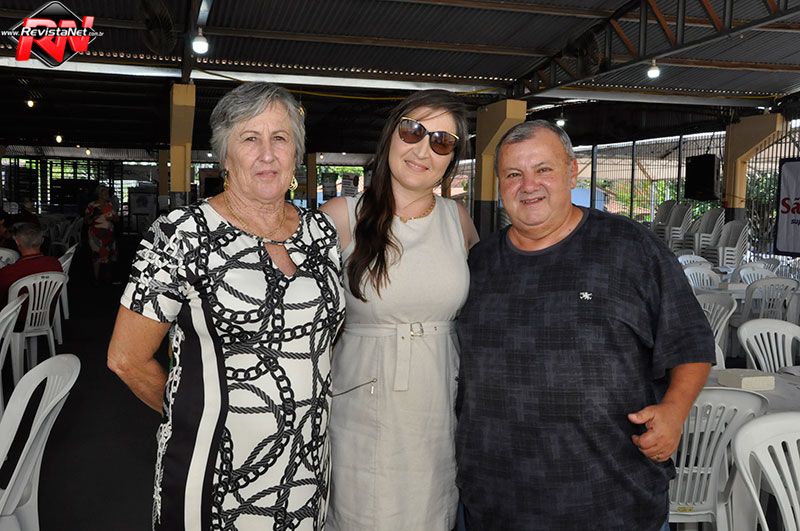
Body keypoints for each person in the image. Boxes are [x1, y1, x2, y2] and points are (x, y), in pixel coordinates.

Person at [107, 82, 345, 531]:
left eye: (280, 138)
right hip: (213, 469)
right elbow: (125, 358)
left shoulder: (321, 234)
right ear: (225, 155)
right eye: (250, 138)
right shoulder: (180, 234)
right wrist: (195, 416)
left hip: (307, 465)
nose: (267, 154)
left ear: (296, 152)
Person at [455, 120, 714, 530]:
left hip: (612, 501)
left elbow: (691, 340)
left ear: (572, 172)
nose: (529, 185)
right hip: (496, 502)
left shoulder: (631, 248)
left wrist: (674, 410)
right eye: (514, 174)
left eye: (543, 169)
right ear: (500, 184)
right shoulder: (478, 264)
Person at [321, 89, 479, 530]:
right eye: (413, 131)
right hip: (362, 401)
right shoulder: (341, 216)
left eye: (442, 142)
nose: (423, 150)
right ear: (391, 134)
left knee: (433, 511)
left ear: (451, 160)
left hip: (439, 400)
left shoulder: (458, 220)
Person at [0, 223, 62, 306]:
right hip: (48, 310)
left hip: (16, 313)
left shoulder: (8, 273)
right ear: (42, 241)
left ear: (17, 242)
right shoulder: (55, 264)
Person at [84, 185, 118, 282]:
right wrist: (94, 216)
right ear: (99, 194)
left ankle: (108, 278)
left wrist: (112, 218)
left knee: (109, 254)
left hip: (108, 234)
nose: (108, 195)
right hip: (96, 234)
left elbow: (117, 219)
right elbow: (86, 221)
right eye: (105, 193)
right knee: (96, 255)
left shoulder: (109, 205)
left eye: (107, 193)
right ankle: (96, 278)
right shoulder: (92, 205)